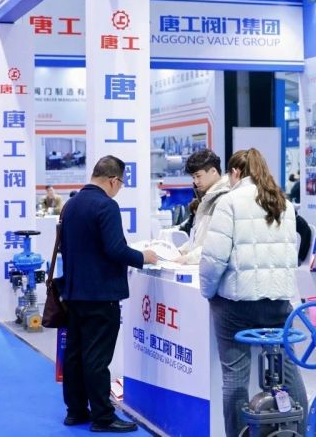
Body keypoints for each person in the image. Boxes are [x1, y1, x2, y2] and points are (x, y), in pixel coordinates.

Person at [200, 148, 308, 437]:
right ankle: (301, 430)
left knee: (234, 377)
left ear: (236, 173)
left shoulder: (229, 202)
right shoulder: (284, 203)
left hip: (237, 307)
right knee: (288, 371)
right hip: (279, 304)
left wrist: (208, 291)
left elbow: (214, 259)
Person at [60, 156, 158, 432]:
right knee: (97, 358)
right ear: (113, 180)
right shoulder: (106, 206)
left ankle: (76, 410)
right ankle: (103, 417)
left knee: (75, 354)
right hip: (101, 294)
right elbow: (115, 249)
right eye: (121, 184)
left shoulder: (71, 204)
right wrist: (143, 256)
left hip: (74, 291)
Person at [176, 149, 230, 264]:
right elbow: (198, 239)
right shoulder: (207, 199)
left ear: (213, 171)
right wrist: (181, 251)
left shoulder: (223, 199)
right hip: (203, 264)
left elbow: (216, 244)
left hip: (213, 266)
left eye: (198, 176)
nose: (196, 181)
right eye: (193, 177)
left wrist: (187, 259)